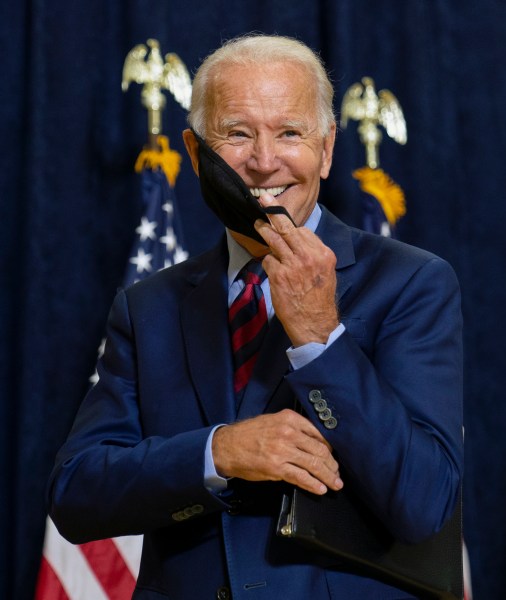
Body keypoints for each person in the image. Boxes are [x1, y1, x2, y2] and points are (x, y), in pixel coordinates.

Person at [48, 34, 463, 599]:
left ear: (327, 148)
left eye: (290, 133)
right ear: (196, 154)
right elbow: (75, 495)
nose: (265, 163)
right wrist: (219, 452)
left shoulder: (413, 283)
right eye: (238, 134)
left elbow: (424, 503)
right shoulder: (149, 307)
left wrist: (322, 340)